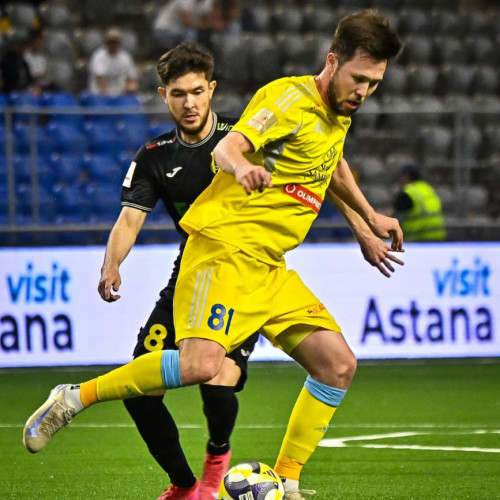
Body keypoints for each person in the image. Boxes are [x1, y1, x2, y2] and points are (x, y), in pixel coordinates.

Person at [23, 10, 404, 500]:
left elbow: (330, 164)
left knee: (337, 365)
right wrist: (242, 168)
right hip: (223, 252)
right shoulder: (288, 99)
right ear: (332, 62)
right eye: (359, 79)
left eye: (374, 84)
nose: (364, 92)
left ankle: (287, 481)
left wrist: (367, 220)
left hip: (268, 266)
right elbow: (228, 149)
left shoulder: (335, 115)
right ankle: (74, 397)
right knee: (202, 366)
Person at [97, 42, 259, 500]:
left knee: (218, 380)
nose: (189, 103)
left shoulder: (243, 138)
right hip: (189, 275)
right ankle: (184, 486)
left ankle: (217, 458)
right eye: (178, 94)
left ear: (212, 90)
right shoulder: (154, 155)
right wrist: (112, 264)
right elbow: (129, 219)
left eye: (197, 91)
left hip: (243, 276)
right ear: (163, 96)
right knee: (138, 386)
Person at [392, 163, 446, 241]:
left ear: (406, 176)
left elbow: (393, 214)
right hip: (437, 238)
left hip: (418, 239)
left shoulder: (408, 193)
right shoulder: (428, 188)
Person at [88, 27, 138, 96]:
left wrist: (130, 88)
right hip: (100, 95)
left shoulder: (126, 57)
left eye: (115, 42)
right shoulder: (98, 56)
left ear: (120, 43)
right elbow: (101, 80)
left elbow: (132, 79)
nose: (113, 45)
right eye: (110, 42)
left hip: (120, 95)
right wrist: (109, 95)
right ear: (106, 43)